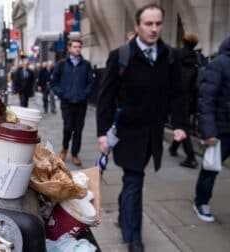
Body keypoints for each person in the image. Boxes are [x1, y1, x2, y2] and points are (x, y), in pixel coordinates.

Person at [96, 4, 187, 252]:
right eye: (148, 24)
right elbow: (105, 97)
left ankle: (124, 215)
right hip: (127, 133)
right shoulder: (121, 56)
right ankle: (133, 237)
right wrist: (102, 133)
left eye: (158, 23)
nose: (154, 28)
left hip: (153, 134)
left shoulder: (170, 56)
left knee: (131, 181)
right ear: (137, 26)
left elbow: (178, 93)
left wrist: (179, 124)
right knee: (135, 180)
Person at [194, 36, 230, 223]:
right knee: (211, 168)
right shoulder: (219, 64)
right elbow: (206, 99)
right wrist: (209, 132)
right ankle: (201, 202)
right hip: (222, 129)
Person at [51, 39, 95, 165]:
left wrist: (85, 94)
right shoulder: (61, 64)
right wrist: (62, 94)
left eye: (79, 47)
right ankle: (64, 148)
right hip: (67, 102)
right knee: (68, 127)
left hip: (81, 103)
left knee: (78, 130)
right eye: (75, 47)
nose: (77, 49)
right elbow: (54, 83)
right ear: (69, 48)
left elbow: (91, 82)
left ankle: (75, 154)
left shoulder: (86, 65)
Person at [168, 33, 202, 168]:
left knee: (182, 127)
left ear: (183, 42)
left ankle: (191, 157)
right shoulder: (197, 58)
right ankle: (174, 147)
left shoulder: (176, 55)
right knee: (181, 124)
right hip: (189, 97)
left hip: (176, 96)